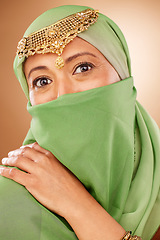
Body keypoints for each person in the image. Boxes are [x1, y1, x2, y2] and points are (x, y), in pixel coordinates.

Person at [0, 5, 159, 240]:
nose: (64, 95)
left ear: (123, 73)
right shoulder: (7, 204)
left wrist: (78, 206)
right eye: (42, 81)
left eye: (83, 68)